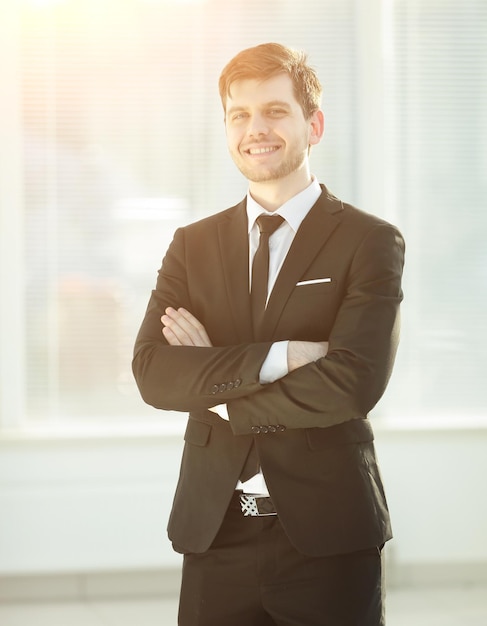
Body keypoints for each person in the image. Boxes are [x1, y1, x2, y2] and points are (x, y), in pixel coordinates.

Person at [132, 42, 405, 626]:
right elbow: (154, 374)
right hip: (216, 531)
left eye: (275, 111)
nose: (256, 129)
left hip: (328, 536)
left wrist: (222, 394)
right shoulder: (193, 246)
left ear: (314, 123)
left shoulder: (369, 241)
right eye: (240, 114)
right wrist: (281, 357)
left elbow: (352, 383)